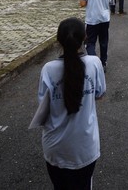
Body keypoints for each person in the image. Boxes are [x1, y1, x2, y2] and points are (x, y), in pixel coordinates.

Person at [35, 17, 106, 190]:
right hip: (84, 147)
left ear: (58, 41)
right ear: (84, 38)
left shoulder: (48, 69)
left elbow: (43, 106)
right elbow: (100, 94)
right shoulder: (94, 63)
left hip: (55, 147)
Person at [80, 0, 113, 71]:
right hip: (105, 17)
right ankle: (103, 62)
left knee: (90, 43)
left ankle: (94, 65)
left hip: (92, 18)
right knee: (104, 41)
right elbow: (111, 0)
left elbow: (82, 3)